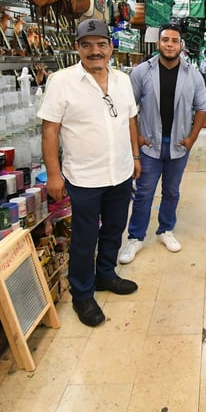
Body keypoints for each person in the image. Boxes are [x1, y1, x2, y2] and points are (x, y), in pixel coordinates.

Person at [37, 19, 140, 327]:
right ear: (78, 48)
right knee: (84, 237)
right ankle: (82, 293)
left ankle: (105, 274)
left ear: (111, 47)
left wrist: (135, 157)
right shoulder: (62, 81)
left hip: (120, 172)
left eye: (101, 45)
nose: (95, 51)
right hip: (83, 178)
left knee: (114, 228)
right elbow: (50, 131)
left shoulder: (123, 80)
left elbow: (131, 122)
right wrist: (54, 175)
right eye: (87, 45)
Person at [118, 23, 206, 264]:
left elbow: (202, 108)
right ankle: (135, 237)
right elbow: (128, 108)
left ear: (181, 45)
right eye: (165, 40)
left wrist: (192, 138)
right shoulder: (141, 72)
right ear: (158, 43)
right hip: (149, 145)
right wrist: (135, 136)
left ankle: (165, 230)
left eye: (174, 40)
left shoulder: (193, 74)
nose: (169, 44)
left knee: (171, 191)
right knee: (144, 192)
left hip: (178, 145)